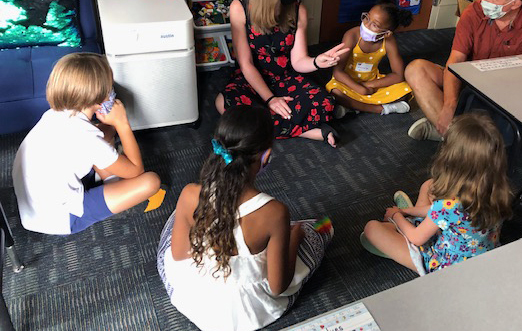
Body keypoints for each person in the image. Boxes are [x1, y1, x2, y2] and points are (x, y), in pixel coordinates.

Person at [157, 105, 333, 331]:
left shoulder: (191, 193)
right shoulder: (274, 211)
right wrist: (296, 237)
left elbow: (179, 254)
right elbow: (278, 286)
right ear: (266, 155)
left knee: (179, 214)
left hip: (194, 298)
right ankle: (316, 230)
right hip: (244, 312)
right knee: (313, 230)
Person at [12, 52, 162, 235]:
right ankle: (115, 195)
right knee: (150, 182)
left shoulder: (54, 115)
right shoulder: (87, 138)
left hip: (33, 208)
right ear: (99, 98)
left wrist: (110, 125)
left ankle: (113, 184)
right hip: (60, 218)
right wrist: (122, 123)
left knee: (105, 135)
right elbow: (136, 170)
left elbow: (98, 138)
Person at [405, 0, 522, 141]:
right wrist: (450, 105)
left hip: (506, 91)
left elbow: (519, 79)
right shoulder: (473, 12)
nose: (484, 0)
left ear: (515, 4)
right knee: (415, 69)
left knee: (495, 118)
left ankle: (450, 132)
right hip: (470, 80)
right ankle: (457, 135)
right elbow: (456, 60)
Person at [216, 0, 348, 147]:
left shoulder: (297, 9)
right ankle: (311, 132)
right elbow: (246, 64)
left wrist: (317, 62)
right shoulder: (240, 8)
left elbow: (298, 61)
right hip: (252, 78)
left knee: (325, 103)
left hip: (285, 77)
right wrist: (270, 100)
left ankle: (266, 130)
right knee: (224, 104)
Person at [361, 113, 512, 275]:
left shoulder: (450, 205)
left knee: (371, 229)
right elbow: (443, 210)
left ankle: (402, 236)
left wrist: (396, 216)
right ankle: (412, 222)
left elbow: (417, 238)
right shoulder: (499, 190)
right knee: (429, 185)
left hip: (446, 268)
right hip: (483, 256)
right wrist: (406, 211)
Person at [326, 0, 413, 117]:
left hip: (372, 82)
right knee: (335, 91)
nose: (366, 25)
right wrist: (359, 88)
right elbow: (338, 71)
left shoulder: (388, 41)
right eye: (367, 18)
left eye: (375, 25)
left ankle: (352, 107)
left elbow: (398, 75)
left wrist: (368, 85)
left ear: (387, 33)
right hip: (347, 81)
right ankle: (382, 109)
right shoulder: (352, 35)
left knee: (406, 89)